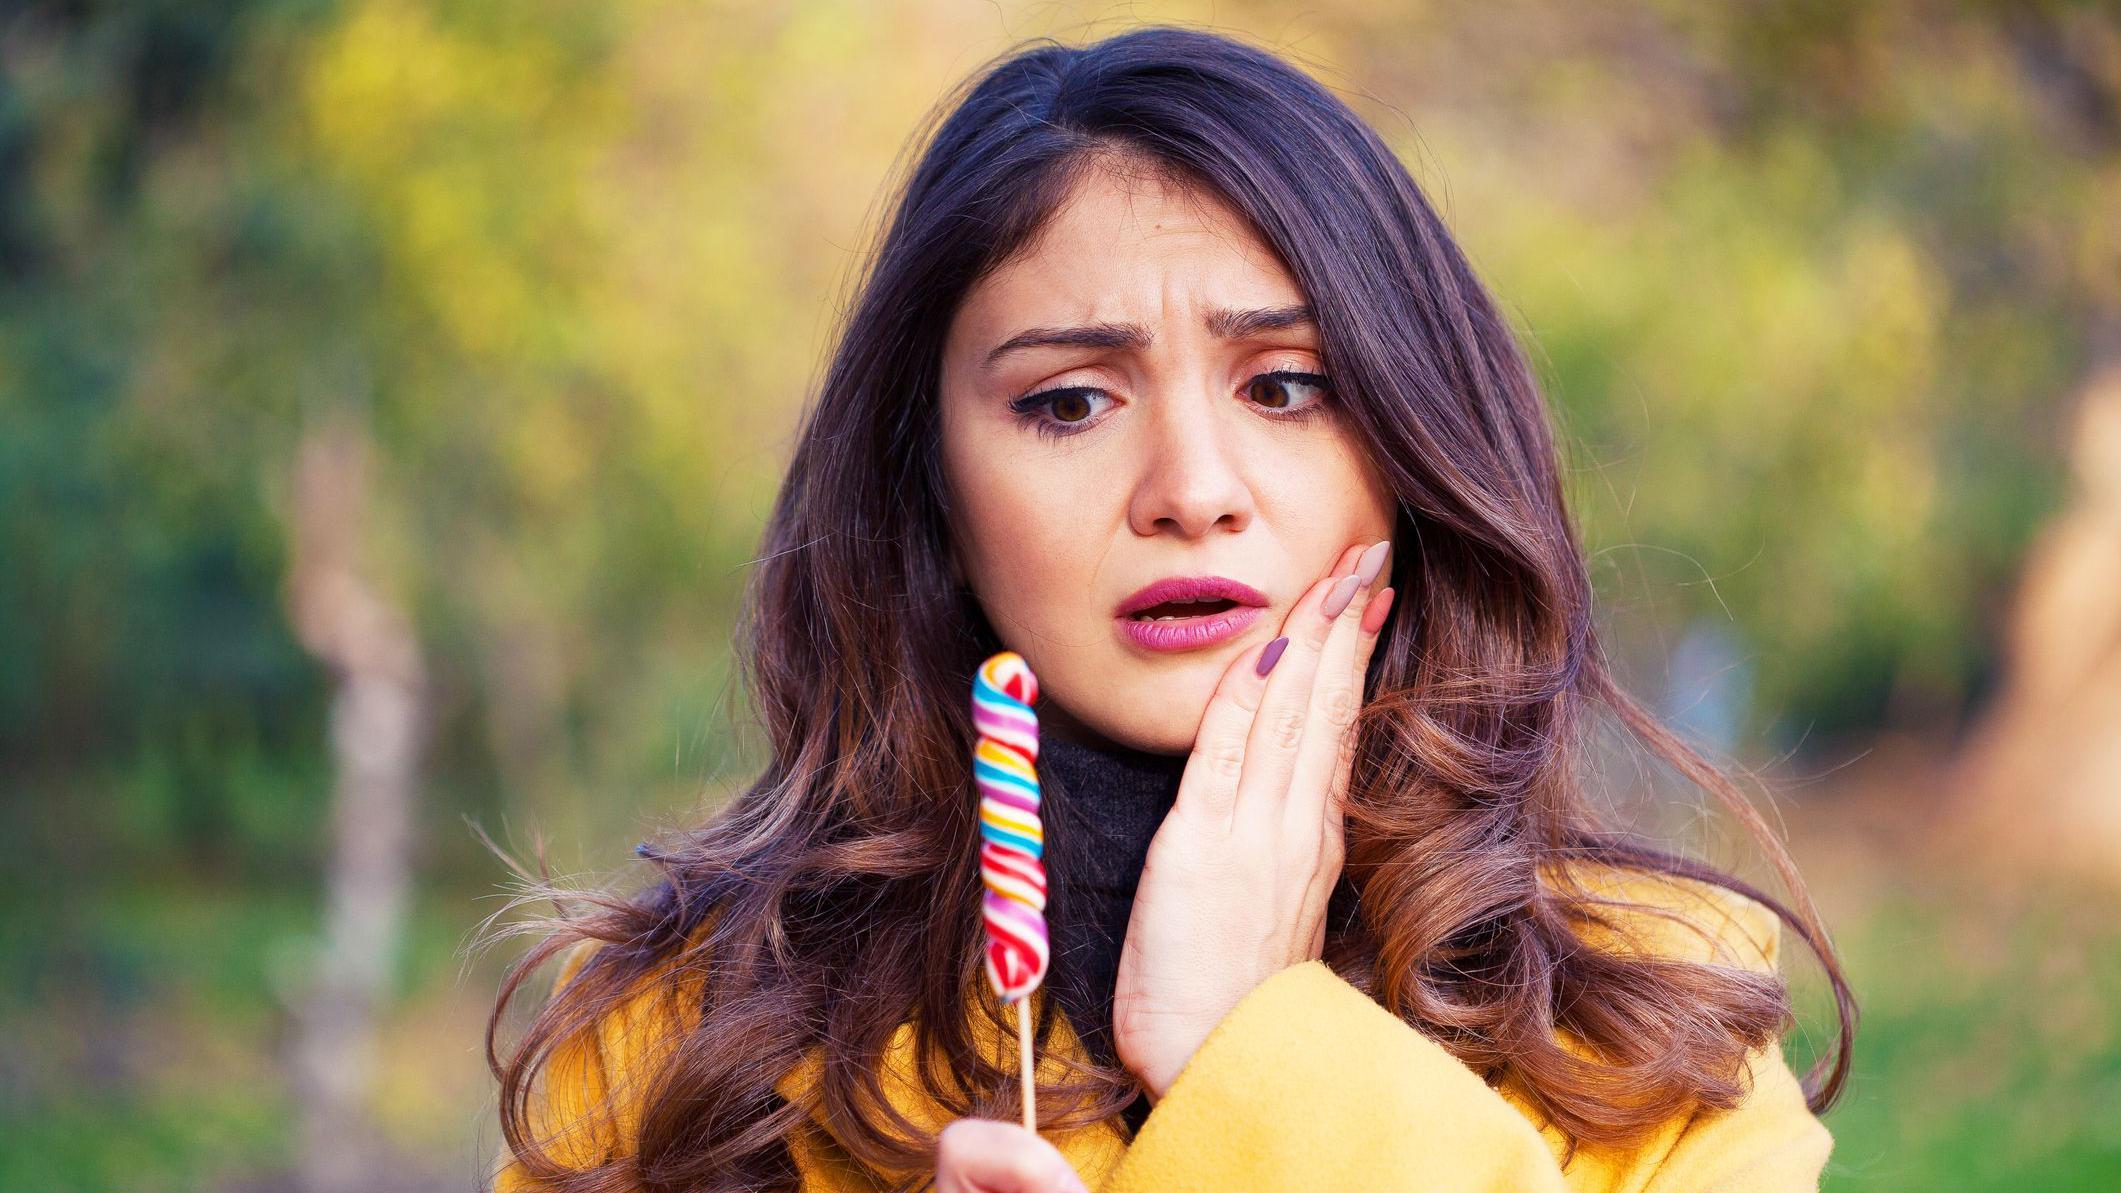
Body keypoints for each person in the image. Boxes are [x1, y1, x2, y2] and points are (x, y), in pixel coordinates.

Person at [486, 24, 1855, 1193]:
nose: (1191, 491)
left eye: (1285, 385)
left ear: (1412, 443)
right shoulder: (682, 1038)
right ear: (932, 491)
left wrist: (1248, 1042)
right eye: (1067, 402)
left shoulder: (1646, 1022)